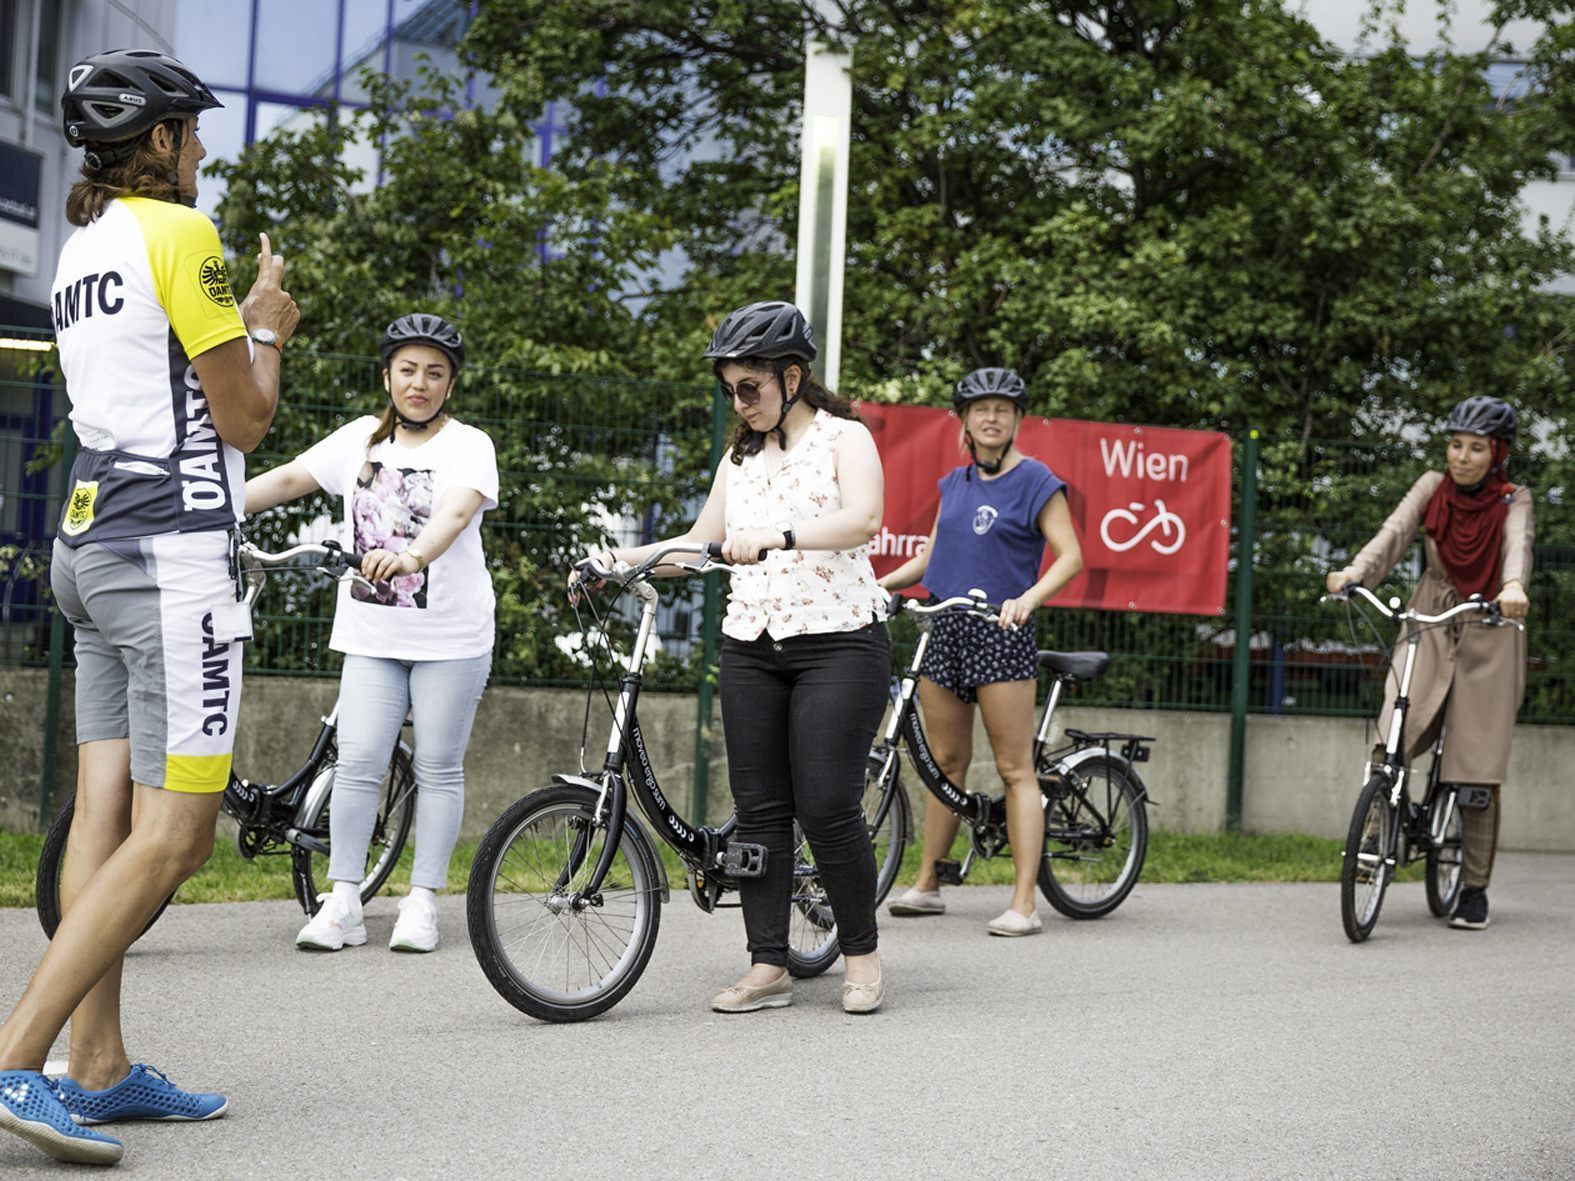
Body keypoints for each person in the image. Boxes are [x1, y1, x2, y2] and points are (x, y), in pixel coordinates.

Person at [0, 50, 298, 1165]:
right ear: (161, 141)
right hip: (169, 555)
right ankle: (20, 1055)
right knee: (177, 834)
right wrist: (266, 324)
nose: (204, 149)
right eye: (192, 131)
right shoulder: (181, 236)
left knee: (102, 817)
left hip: (89, 545)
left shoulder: (83, 247)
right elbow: (245, 419)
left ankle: (103, 1063)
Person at [572, 301, 889, 1013]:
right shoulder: (739, 458)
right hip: (752, 646)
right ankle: (767, 963)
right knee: (761, 808)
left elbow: (864, 518)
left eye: (750, 387)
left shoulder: (844, 439)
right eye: (730, 389)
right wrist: (614, 560)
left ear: (793, 374)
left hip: (838, 642)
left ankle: (861, 955)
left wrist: (777, 535)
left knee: (827, 803)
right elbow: (696, 542)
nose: (737, 402)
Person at [245, 313, 496, 953]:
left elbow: (456, 512)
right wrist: (208, 506)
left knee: (438, 768)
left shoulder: (469, 445)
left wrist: (413, 556)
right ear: (387, 376)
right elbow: (287, 481)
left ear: (450, 385)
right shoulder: (360, 439)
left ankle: (421, 903)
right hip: (372, 634)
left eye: (435, 373)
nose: (420, 383)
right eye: (408, 370)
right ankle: (345, 901)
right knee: (357, 763)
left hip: (451, 637)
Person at [878, 368, 1083, 935]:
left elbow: (1070, 556)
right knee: (945, 764)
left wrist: (1028, 599)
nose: (991, 417)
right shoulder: (955, 484)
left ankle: (1023, 903)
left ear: (1017, 419)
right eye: (980, 408)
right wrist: (876, 588)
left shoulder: (1038, 481)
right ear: (964, 420)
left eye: (1002, 408)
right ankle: (927, 884)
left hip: (1001, 630)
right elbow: (928, 560)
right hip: (945, 629)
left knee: (1016, 769)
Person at [1326, 395, 1532, 931]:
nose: (1462, 458)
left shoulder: (1513, 500)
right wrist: (1355, 572)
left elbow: (1518, 547)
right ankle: (1378, 825)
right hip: (1432, 614)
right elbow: (1393, 535)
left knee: (1476, 768)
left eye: (1476, 448)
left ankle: (1473, 890)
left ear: (1497, 453)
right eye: (1456, 445)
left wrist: (1512, 586)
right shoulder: (1432, 487)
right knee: (1395, 724)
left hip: (1491, 622)